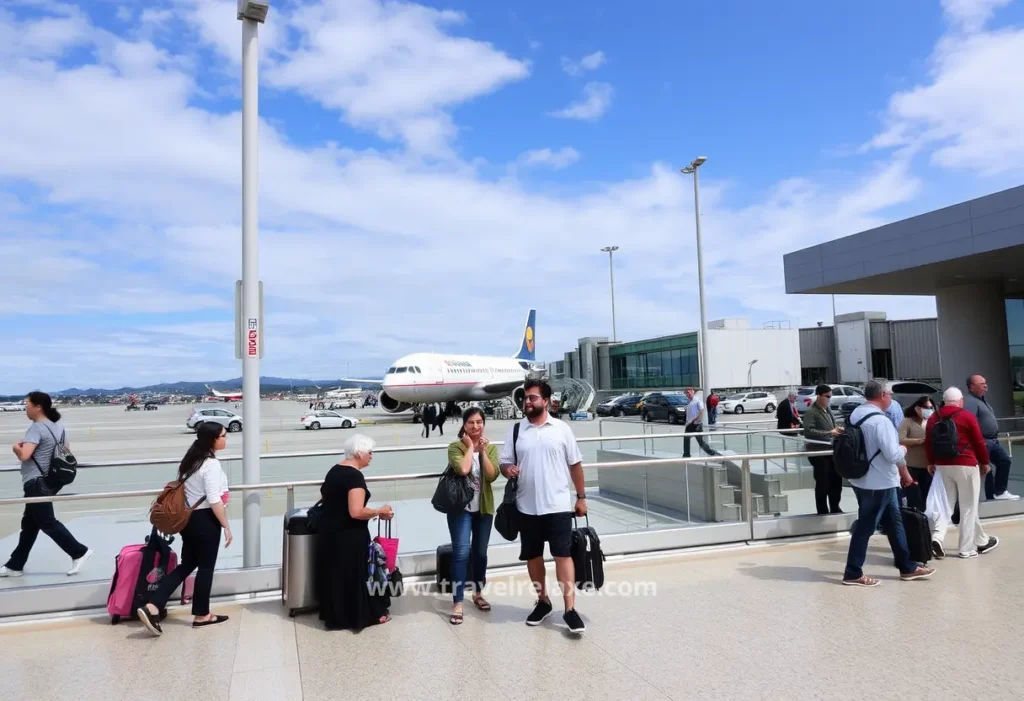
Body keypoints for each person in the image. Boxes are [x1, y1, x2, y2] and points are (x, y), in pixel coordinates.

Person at [499, 379, 587, 633]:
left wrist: (581, 497)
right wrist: (508, 469)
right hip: (526, 506)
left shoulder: (561, 429)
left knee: (563, 555)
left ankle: (570, 609)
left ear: (546, 401)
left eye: (533, 397)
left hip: (558, 504)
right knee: (533, 557)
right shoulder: (517, 430)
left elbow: (575, 465)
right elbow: (505, 462)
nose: (527, 401)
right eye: (526, 397)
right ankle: (543, 601)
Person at [136, 422, 233, 635]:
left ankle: (152, 606)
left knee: (187, 565)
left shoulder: (192, 461)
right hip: (206, 520)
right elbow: (214, 499)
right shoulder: (211, 464)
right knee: (206, 568)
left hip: (188, 521)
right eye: (223, 436)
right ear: (213, 440)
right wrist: (226, 525)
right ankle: (202, 615)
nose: (226, 439)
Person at [843, 380, 934, 587]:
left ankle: (907, 566)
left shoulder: (856, 414)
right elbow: (893, 454)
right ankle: (853, 572)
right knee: (866, 527)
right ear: (883, 395)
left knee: (895, 522)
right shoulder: (880, 421)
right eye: (890, 395)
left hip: (863, 478)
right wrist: (903, 449)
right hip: (879, 482)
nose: (891, 399)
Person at [1, 392, 92, 578]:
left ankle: (79, 552)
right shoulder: (59, 427)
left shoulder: (36, 428)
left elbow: (25, 455)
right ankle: (15, 565)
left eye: (27, 404)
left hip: (35, 482)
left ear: (38, 407)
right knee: (29, 525)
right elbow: (67, 451)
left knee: (47, 522)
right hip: (51, 481)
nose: (25, 408)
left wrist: (15, 448)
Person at [316, 434, 394, 631]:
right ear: (359, 452)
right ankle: (358, 616)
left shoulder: (334, 470)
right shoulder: (354, 477)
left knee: (337, 576)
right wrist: (379, 511)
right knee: (356, 574)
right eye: (369, 452)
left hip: (330, 532)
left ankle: (336, 615)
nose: (371, 456)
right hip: (350, 534)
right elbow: (356, 511)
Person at [926, 387, 1000, 560]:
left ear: (944, 401)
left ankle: (937, 537)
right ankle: (966, 549)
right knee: (968, 507)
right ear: (960, 401)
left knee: (946, 506)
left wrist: (931, 462)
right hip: (966, 464)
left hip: (942, 465)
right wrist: (984, 462)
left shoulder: (933, 417)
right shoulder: (967, 416)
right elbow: (979, 442)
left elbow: (928, 443)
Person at [445, 408, 499, 624]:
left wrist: (483, 452)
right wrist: (470, 448)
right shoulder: (455, 447)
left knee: (480, 553)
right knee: (461, 553)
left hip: (484, 509)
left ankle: (477, 592)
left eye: (479, 422)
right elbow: (463, 469)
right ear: (464, 426)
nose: (476, 427)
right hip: (461, 510)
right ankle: (458, 601)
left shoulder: (491, 448)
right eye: (471, 423)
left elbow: (492, 475)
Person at [965, 374, 1019, 501]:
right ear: (972, 387)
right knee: (986, 467)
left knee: (1004, 461)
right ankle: (991, 496)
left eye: (985, 383)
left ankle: (999, 492)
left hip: (993, 441)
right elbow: (970, 422)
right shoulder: (971, 402)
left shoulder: (982, 400)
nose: (985, 386)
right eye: (981, 384)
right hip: (983, 440)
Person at [802, 384, 844, 514]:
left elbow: (832, 426)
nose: (829, 399)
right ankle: (822, 509)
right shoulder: (812, 412)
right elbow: (808, 431)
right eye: (827, 396)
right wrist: (829, 433)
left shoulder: (828, 410)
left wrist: (837, 429)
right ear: (819, 396)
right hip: (818, 452)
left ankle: (835, 507)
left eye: (830, 397)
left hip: (830, 451)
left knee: (836, 480)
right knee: (823, 481)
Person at [898, 396, 935, 512]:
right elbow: (900, 439)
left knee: (927, 496)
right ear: (918, 408)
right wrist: (918, 441)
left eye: (931, 407)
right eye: (926, 407)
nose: (929, 410)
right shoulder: (907, 421)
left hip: (928, 466)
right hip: (912, 466)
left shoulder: (930, 421)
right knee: (914, 496)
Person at [682, 388, 713, 458]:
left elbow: (701, 410)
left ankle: (711, 453)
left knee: (700, 441)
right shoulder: (690, 401)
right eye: (686, 393)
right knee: (686, 439)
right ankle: (686, 455)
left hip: (696, 424)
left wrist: (696, 419)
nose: (688, 395)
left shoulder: (697, 400)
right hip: (689, 424)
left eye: (689, 393)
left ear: (693, 392)